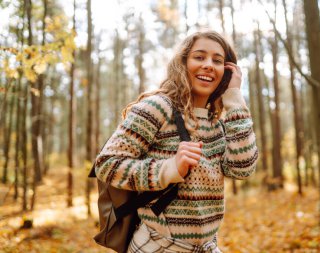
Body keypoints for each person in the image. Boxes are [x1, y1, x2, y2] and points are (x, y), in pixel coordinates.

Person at [94, 31, 259, 253]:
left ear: (226, 72)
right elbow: (106, 164)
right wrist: (169, 168)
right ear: (183, 63)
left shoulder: (216, 124)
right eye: (199, 57)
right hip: (156, 246)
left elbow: (243, 169)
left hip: (207, 247)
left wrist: (235, 98)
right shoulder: (157, 108)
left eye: (217, 60)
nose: (209, 65)